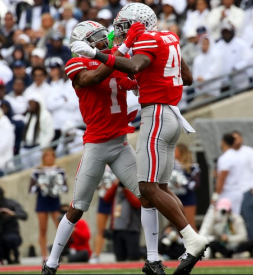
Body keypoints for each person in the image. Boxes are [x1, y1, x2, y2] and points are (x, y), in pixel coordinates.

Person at [70, 4, 209, 274]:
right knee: (161, 189)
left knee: (147, 188)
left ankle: (192, 239)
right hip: (172, 115)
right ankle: (184, 241)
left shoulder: (147, 39)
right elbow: (188, 78)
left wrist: (97, 54)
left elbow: (135, 64)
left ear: (139, 24)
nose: (120, 32)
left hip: (156, 115)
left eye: (124, 26)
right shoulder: (169, 38)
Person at [43, 20, 164, 275]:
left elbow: (133, 80)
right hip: (96, 145)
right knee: (77, 208)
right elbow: (93, 77)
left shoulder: (112, 58)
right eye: (97, 37)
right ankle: (52, 262)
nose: (104, 41)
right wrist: (125, 47)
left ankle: (153, 259)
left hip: (120, 143)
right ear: (83, 43)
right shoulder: (76, 64)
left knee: (147, 196)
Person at [29, 148, 68, 263]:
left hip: (55, 201)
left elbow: (65, 188)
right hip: (42, 201)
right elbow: (31, 189)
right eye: (47, 156)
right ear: (44, 158)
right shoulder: (37, 171)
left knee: (59, 227)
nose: (49, 159)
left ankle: (58, 254)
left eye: (51, 156)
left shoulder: (60, 171)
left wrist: (57, 185)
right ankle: (44, 255)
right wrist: (40, 186)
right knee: (43, 229)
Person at [231, 131, 253, 252]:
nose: (235, 141)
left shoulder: (249, 152)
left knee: (249, 218)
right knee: (235, 220)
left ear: (241, 138)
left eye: (236, 138)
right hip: (233, 193)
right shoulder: (229, 154)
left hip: (247, 190)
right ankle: (243, 247)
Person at [0, 186, 28, 265]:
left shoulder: (11, 204)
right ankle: (5, 256)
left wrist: (12, 213)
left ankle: (14, 254)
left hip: (12, 235)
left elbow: (24, 215)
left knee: (10, 239)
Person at [103, 180, 142, 262]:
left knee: (133, 257)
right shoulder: (116, 187)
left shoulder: (134, 186)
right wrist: (115, 184)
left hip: (131, 229)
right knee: (119, 258)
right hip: (117, 229)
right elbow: (106, 198)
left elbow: (137, 203)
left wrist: (126, 189)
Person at [89, 167, 115, 264]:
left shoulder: (120, 159)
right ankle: (97, 254)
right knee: (100, 230)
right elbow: (93, 182)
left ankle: (121, 253)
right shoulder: (100, 162)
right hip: (104, 199)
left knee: (119, 228)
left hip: (117, 198)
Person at [214, 133, 244, 214]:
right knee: (234, 219)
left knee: (223, 220)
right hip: (237, 192)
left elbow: (222, 178)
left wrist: (216, 195)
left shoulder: (225, 158)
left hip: (227, 194)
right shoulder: (237, 156)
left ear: (223, 142)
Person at [174, 143, 200, 231]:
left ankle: (198, 244)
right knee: (177, 225)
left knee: (190, 224)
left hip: (187, 198)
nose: (173, 153)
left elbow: (197, 183)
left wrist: (184, 184)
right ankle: (180, 244)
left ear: (181, 152)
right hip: (174, 198)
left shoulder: (191, 166)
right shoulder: (171, 166)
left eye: (175, 151)